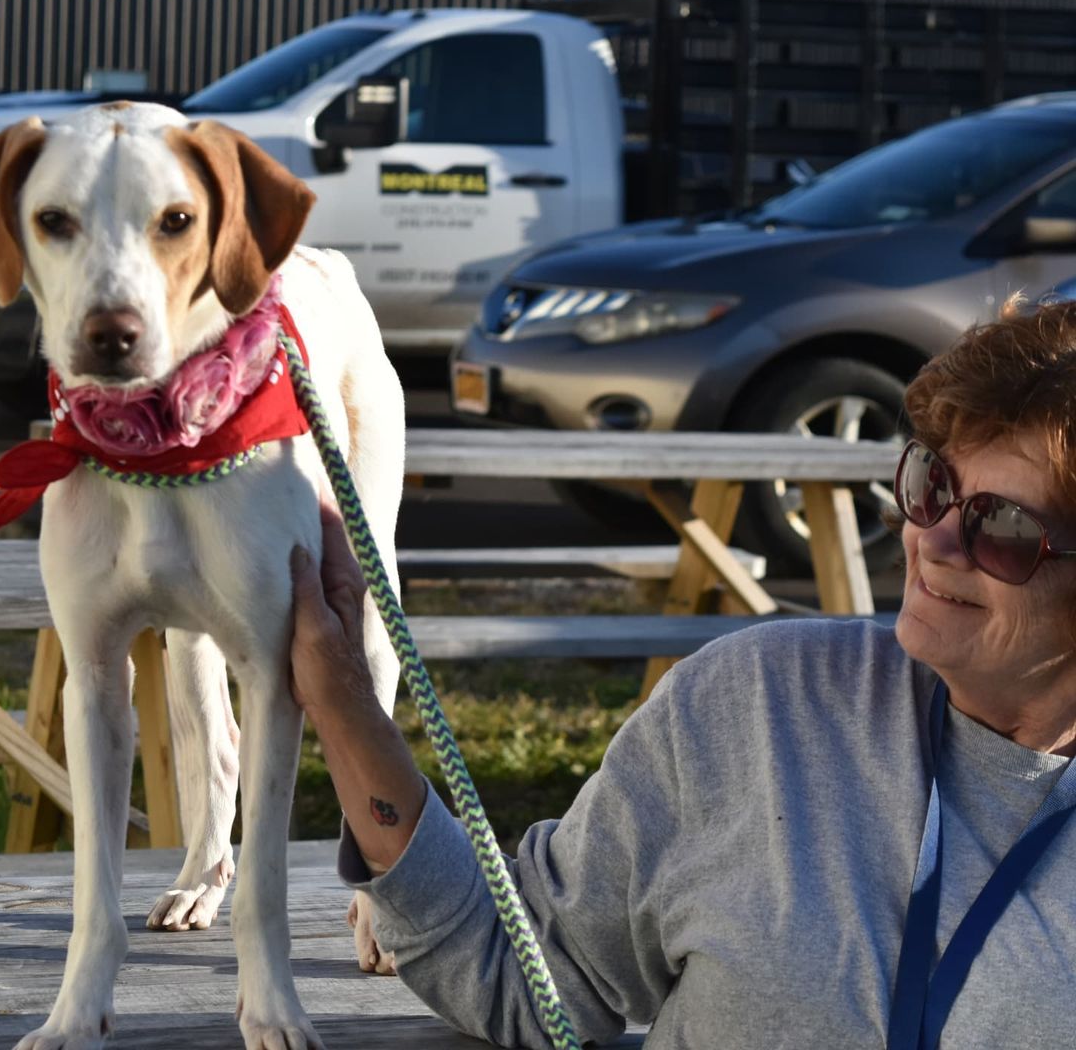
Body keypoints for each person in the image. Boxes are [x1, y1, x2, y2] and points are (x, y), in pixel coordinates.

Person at [289, 299, 1076, 1048]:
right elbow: (517, 972)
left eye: (1002, 526)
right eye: (932, 485)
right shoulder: (760, 705)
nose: (933, 541)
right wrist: (346, 704)